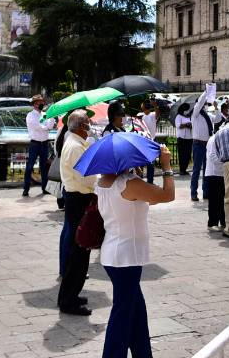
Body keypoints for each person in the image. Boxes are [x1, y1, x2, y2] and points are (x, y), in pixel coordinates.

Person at [96, 144, 175, 358]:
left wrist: (137, 175)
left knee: (136, 312)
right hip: (126, 257)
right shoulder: (127, 184)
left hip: (115, 254)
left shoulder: (103, 182)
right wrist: (167, 166)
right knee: (122, 315)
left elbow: (148, 199)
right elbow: (168, 195)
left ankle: (143, 353)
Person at [57, 110, 97, 316]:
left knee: (80, 250)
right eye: (88, 124)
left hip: (79, 198)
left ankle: (71, 294)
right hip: (78, 199)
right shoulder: (74, 146)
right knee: (78, 250)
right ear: (81, 127)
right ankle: (68, 300)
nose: (91, 127)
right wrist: (102, 182)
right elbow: (86, 177)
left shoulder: (77, 143)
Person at [23, 95, 56, 197]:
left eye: (42, 102)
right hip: (35, 144)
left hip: (44, 143)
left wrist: (49, 120)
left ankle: (45, 188)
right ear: (34, 104)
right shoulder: (30, 115)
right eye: (39, 102)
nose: (41, 104)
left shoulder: (45, 114)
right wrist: (46, 127)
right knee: (29, 167)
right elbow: (37, 127)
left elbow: (50, 126)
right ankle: (26, 189)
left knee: (44, 167)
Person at [189, 92, 214, 202]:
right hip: (198, 144)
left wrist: (216, 108)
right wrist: (206, 92)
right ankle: (193, 193)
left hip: (207, 144)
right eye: (203, 103)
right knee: (196, 170)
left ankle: (206, 192)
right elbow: (199, 103)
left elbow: (217, 118)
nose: (204, 105)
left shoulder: (207, 116)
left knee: (207, 170)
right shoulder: (195, 114)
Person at [202, 124, 226, 232]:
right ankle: (212, 222)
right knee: (214, 200)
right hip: (213, 174)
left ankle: (223, 221)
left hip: (221, 173)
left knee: (222, 199)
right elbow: (212, 156)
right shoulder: (213, 139)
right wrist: (224, 163)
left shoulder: (221, 138)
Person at [174, 103, 192, 176]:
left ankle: (185, 169)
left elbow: (192, 124)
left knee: (188, 154)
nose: (187, 111)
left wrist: (190, 125)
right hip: (181, 138)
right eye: (186, 109)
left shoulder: (189, 116)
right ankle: (182, 169)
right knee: (182, 154)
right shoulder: (178, 116)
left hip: (189, 137)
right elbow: (178, 126)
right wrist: (186, 125)